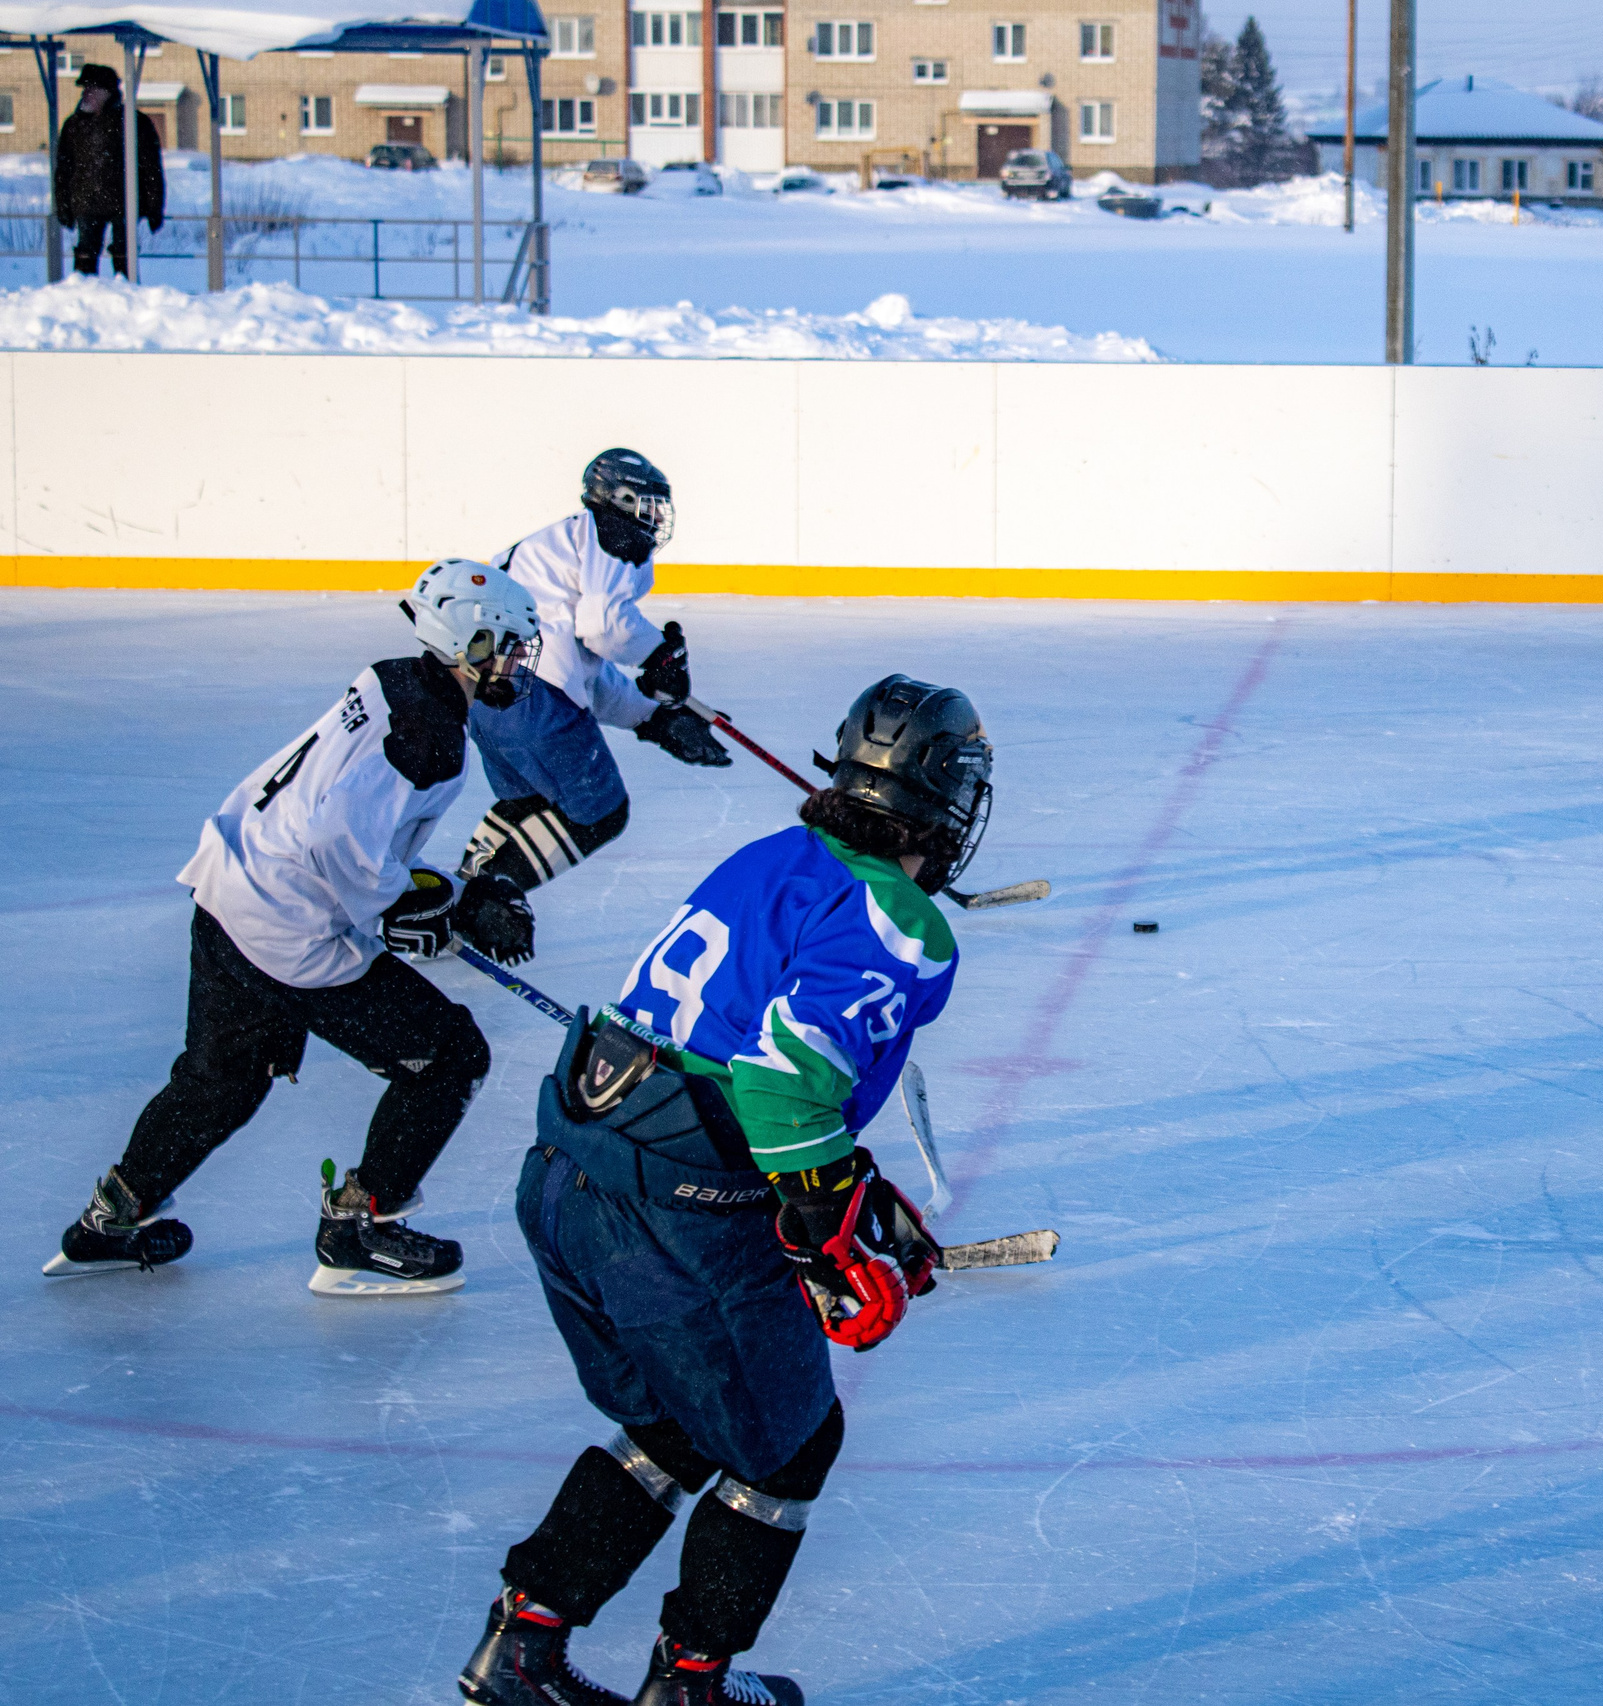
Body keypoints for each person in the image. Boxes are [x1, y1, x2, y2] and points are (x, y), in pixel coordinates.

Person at [458, 675, 992, 1706]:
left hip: (572, 1176)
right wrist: (830, 1240)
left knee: (678, 1421)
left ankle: (523, 1644)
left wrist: (855, 1187)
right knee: (791, 1442)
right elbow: (782, 1081)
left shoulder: (771, 857)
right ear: (952, 799)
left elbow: (723, 1047)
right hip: (672, 1214)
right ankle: (691, 1684)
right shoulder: (903, 922)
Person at [47, 562, 543, 1296]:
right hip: (289, 929)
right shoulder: (431, 736)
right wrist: (450, 905)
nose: (511, 663)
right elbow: (339, 843)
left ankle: (109, 1220)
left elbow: (347, 818)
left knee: (222, 1081)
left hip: (231, 884)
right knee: (450, 1056)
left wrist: (439, 895)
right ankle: (358, 1228)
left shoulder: (395, 677)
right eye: (502, 645)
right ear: (465, 641)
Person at [460, 449, 731, 901]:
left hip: (486, 698)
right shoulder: (612, 534)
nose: (656, 516)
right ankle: (483, 903)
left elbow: (581, 666)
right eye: (649, 503)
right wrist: (659, 655)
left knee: (530, 802)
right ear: (621, 499)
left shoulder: (559, 546)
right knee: (599, 812)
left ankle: (458, 894)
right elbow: (604, 628)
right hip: (535, 699)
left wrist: (653, 717)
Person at [53, 62, 165, 280]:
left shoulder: (134, 123)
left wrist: (154, 206)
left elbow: (150, 167)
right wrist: (63, 205)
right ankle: (82, 296)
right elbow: (64, 169)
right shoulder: (74, 125)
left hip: (124, 203)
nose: (86, 94)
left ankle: (126, 295)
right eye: (85, 89)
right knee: (85, 255)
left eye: (92, 89)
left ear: (108, 92)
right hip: (86, 202)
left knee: (124, 255)